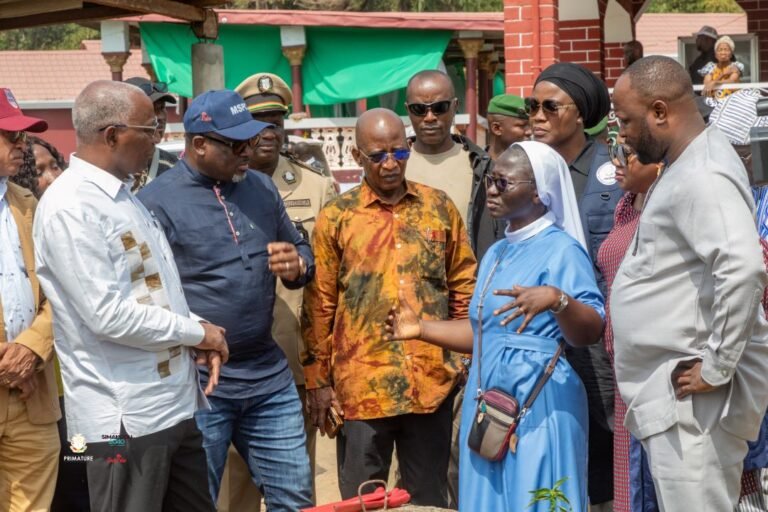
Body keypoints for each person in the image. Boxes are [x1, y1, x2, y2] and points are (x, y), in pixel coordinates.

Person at [33, 80, 229, 512]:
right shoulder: (70, 206)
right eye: (150, 128)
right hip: (120, 421)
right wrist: (195, 333)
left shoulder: (123, 195)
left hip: (170, 406)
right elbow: (108, 316)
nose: (158, 138)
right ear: (113, 134)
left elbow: (152, 295)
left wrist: (190, 334)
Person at [386, 141, 604, 512]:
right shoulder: (496, 252)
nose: (490, 189)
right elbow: (485, 334)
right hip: (487, 405)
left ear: (539, 192)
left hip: (539, 407)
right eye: (490, 179)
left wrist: (558, 300)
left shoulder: (562, 250)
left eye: (503, 183)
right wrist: (421, 329)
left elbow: (592, 330)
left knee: (536, 500)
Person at [138, 89, 314, 511]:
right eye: (237, 145)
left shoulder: (260, 188)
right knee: (199, 500)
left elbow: (300, 250)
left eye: (251, 141)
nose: (248, 153)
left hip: (269, 376)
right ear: (199, 144)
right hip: (202, 383)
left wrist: (298, 265)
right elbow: (146, 298)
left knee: (296, 499)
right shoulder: (155, 203)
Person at [611, 55, 768, 510]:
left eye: (626, 120)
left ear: (660, 112)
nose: (622, 134)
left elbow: (742, 268)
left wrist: (717, 366)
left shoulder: (703, 173)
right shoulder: (687, 165)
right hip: (679, 400)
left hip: (694, 404)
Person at [302, 108, 477, 507]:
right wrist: (318, 382)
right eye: (378, 155)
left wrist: (464, 354)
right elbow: (320, 305)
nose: (389, 164)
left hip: (431, 383)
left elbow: (463, 282)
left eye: (398, 153)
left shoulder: (438, 207)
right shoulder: (337, 217)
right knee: (364, 501)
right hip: (362, 389)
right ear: (358, 156)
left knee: (427, 498)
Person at [211, 73, 336, 511]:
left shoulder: (316, 187)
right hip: (233, 364)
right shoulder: (219, 190)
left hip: (297, 359)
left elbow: (329, 279)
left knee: (295, 483)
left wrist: (324, 367)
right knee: (234, 486)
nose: (269, 132)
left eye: (276, 121)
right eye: (258, 122)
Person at [529, 61, 619, 509]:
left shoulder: (612, 176)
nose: (537, 116)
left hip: (600, 343)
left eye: (550, 106)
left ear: (581, 113)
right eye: (532, 106)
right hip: (543, 343)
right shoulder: (527, 173)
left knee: (604, 461)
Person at [0, 87, 61, 511]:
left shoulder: (28, 204)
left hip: (30, 392)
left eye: (23, 137)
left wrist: (31, 347)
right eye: (10, 136)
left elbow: (61, 290)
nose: (22, 146)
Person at [596, 141, 661, 512]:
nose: (615, 163)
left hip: (659, 372)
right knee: (630, 491)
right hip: (624, 374)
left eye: (628, 154)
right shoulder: (624, 206)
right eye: (613, 150)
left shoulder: (666, 206)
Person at [405, 69, 498, 260]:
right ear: (408, 110)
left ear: (455, 106)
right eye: (419, 109)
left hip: (466, 284)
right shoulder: (393, 167)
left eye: (440, 107)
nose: (430, 117)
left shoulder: (480, 167)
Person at [124, 77, 178, 190]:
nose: (161, 117)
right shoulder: (104, 170)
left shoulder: (174, 168)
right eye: (152, 109)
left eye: (162, 108)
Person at [486, 93, 531, 160]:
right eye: (522, 126)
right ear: (497, 129)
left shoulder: (535, 166)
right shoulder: (472, 166)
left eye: (530, 125)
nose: (529, 132)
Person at [702, 36, 744, 100]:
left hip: (732, 101)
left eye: (726, 50)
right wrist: (722, 74)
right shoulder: (710, 66)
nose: (723, 53)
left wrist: (714, 82)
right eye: (720, 50)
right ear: (715, 54)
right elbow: (707, 84)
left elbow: (732, 81)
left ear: (731, 54)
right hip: (712, 101)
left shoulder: (736, 65)